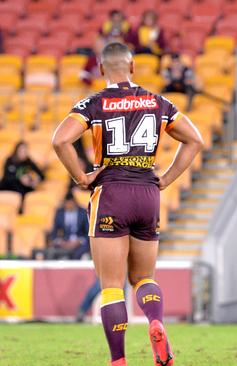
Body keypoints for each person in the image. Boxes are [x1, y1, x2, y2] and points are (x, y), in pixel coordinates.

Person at [52, 42, 203, 366]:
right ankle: (154, 321)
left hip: (111, 191)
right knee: (144, 278)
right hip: (148, 193)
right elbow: (195, 140)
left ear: (103, 69)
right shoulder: (158, 101)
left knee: (111, 285)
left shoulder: (94, 102)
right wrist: (168, 179)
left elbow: (60, 139)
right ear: (133, 68)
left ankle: (118, 359)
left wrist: (80, 176)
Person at [49, 193, 89, 259]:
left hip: (80, 243)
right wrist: (60, 241)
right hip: (64, 242)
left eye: (71, 203)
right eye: (67, 204)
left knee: (81, 254)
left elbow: (88, 232)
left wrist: (79, 241)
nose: (69, 206)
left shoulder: (83, 212)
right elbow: (54, 232)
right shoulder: (59, 212)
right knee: (54, 253)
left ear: (74, 202)